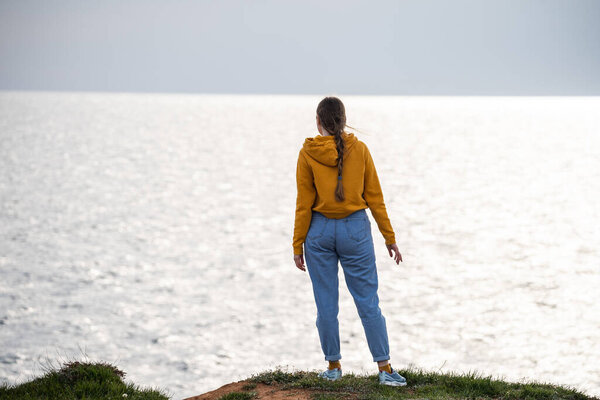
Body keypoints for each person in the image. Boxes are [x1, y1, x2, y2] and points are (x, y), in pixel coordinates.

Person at [292, 96, 406, 386]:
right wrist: (389, 238)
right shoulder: (361, 149)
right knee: (368, 301)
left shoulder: (308, 153)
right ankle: (385, 369)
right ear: (343, 120)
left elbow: (304, 204)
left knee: (326, 304)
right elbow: (375, 199)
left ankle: (333, 367)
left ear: (318, 121)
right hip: (355, 230)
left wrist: (297, 245)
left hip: (318, 233)